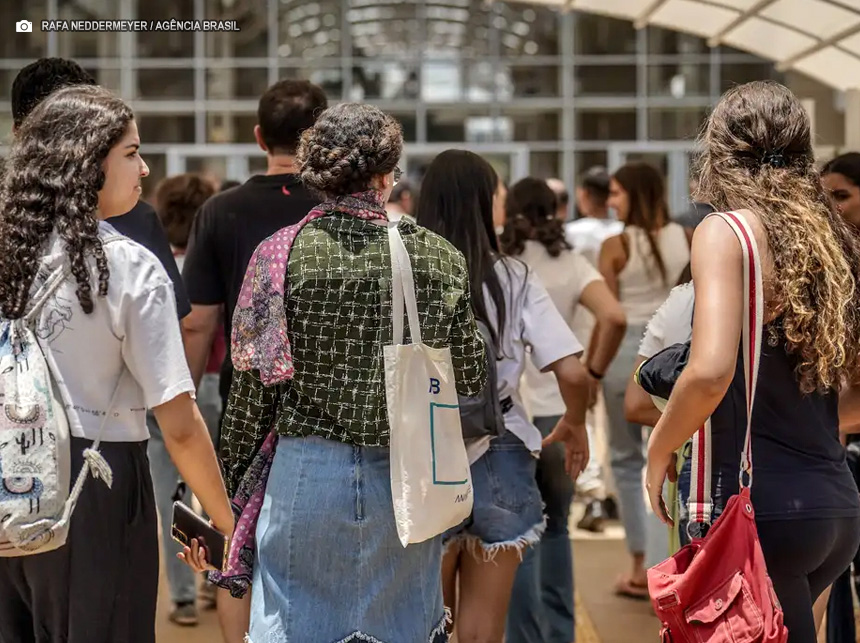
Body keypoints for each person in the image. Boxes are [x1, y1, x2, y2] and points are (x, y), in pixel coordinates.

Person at [200, 104, 488, 642]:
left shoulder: (277, 256)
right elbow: (469, 374)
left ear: (316, 172)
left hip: (304, 476)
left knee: (294, 625)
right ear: (387, 173)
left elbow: (250, 396)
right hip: (407, 478)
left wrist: (227, 490)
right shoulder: (436, 256)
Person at [0, 85, 233, 643]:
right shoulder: (128, 267)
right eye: (130, 153)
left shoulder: (9, 252)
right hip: (96, 483)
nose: (145, 168)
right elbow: (179, 423)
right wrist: (228, 523)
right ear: (85, 161)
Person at [645, 80, 860, 643]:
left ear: (718, 147)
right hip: (831, 504)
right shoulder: (830, 240)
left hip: (755, 507)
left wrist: (660, 446)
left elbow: (710, 369)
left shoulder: (727, 231)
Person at [417, 151, 591, 643]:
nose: (503, 202)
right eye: (497, 192)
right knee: (484, 630)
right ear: (479, 200)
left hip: (427, 455)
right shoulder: (514, 276)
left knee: (431, 623)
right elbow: (572, 372)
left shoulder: (408, 275)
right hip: (504, 450)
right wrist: (574, 423)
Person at [180, 78, 327, 641]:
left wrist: (186, 405)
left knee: (235, 544)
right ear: (319, 138)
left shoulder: (220, 212)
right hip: (326, 405)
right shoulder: (340, 209)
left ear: (259, 135)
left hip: (245, 404)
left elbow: (198, 321)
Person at [501, 176, 626, 643]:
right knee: (556, 530)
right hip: (561, 413)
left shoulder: (503, 264)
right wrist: (591, 371)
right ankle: (561, 635)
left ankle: (525, 637)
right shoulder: (572, 263)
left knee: (521, 532)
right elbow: (613, 316)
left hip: (513, 414)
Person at [11, 57, 190, 321]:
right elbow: (168, 329)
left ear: (17, 133)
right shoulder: (132, 218)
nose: (143, 169)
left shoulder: (133, 215)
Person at [599, 161, 691, 600]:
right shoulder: (686, 238)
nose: (609, 201)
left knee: (624, 457)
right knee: (673, 451)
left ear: (635, 194)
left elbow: (611, 314)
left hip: (626, 355)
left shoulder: (615, 245)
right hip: (676, 352)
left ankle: (640, 565)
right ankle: (672, 562)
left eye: (616, 193)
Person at [151, 172, 219, 626]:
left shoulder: (151, 266)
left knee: (168, 499)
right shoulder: (209, 268)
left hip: (160, 391)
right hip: (213, 383)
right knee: (218, 493)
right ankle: (218, 577)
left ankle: (182, 598)